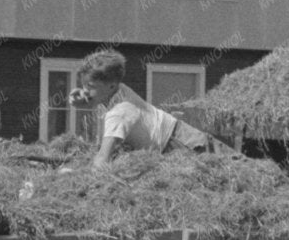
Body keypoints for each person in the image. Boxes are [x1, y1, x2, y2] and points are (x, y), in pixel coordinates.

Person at [76, 50, 217, 168]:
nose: (85, 91)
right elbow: (97, 96)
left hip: (182, 144)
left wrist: (84, 180)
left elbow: (103, 158)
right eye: (83, 86)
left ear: (111, 86)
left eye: (90, 86)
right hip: (181, 135)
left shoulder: (119, 113)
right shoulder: (119, 89)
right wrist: (83, 96)